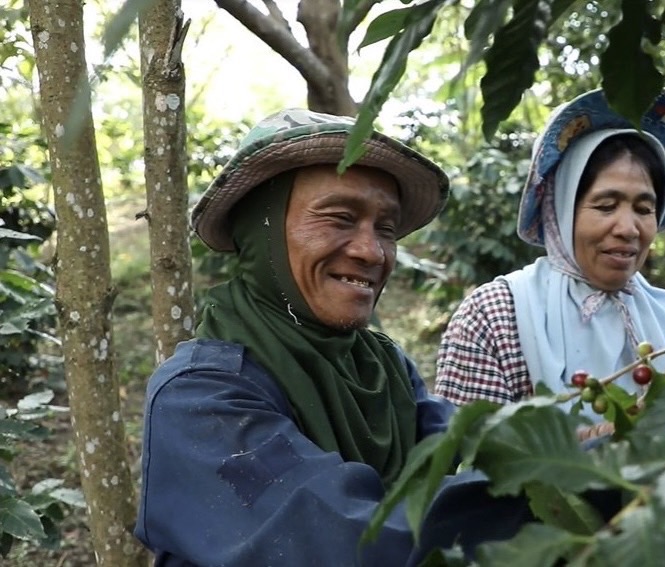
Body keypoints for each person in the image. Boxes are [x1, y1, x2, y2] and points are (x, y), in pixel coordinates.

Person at [133, 109, 534, 566]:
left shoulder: (382, 366)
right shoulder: (199, 396)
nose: (371, 251)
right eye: (340, 218)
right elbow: (339, 539)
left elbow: (455, 440)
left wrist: (561, 450)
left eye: (386, 228)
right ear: (261, 232)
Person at [434, 88, 665, 422]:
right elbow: (471, 460)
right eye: (605, 206)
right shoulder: (497, 317)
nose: (628, 228)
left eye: (644, 208)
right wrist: (636, 425)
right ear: (563, 209)